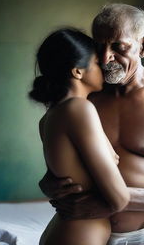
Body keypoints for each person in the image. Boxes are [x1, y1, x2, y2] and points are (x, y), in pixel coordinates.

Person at [39, 4, 144, 245]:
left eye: (119, 47)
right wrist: (49, 183)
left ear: (143, 45)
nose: (105, 58)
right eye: (99, 46)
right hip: (86, 234)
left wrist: (109, 199)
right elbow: (61, 157)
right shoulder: (83, 94)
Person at [29, 28, 130, 245]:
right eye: (96, 62)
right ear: (77, 72)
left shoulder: (50, 117)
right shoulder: (80, 109)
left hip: (65, 232)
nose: (103, 67)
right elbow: (120, 198)